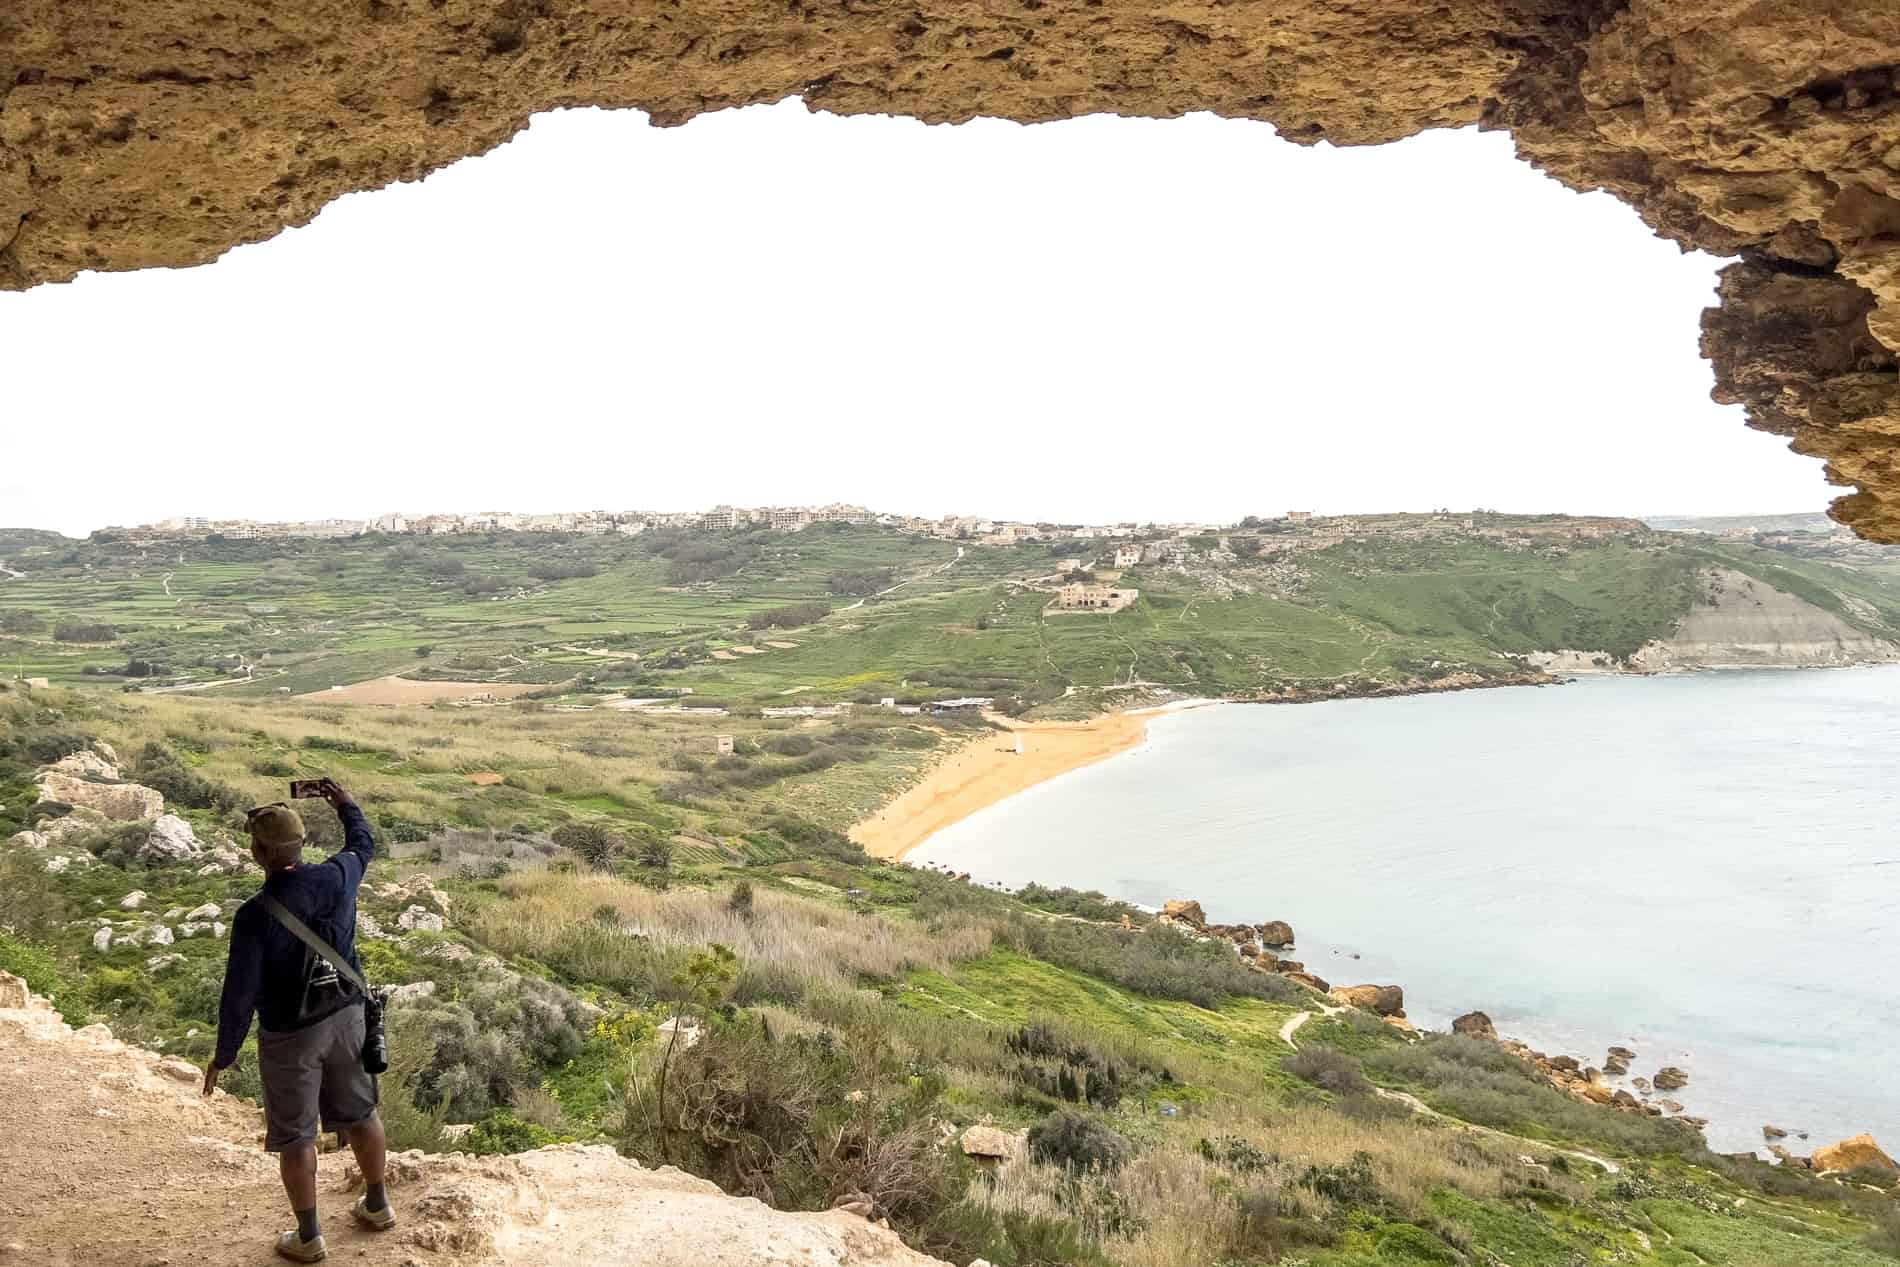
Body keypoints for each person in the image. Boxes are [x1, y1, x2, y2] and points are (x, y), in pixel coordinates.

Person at [203, 777, 394, 1262]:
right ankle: (377, 1204)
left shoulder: (254, 915)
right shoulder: (338, 876)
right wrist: (344, 801)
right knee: (362, 1114)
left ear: (259, 853)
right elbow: (363, 842)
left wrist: (224, 1055)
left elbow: (239, 995)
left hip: (291, 1035)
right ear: (300, 844)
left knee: (296, 1135)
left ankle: (309, 1238)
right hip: (349, 1015)